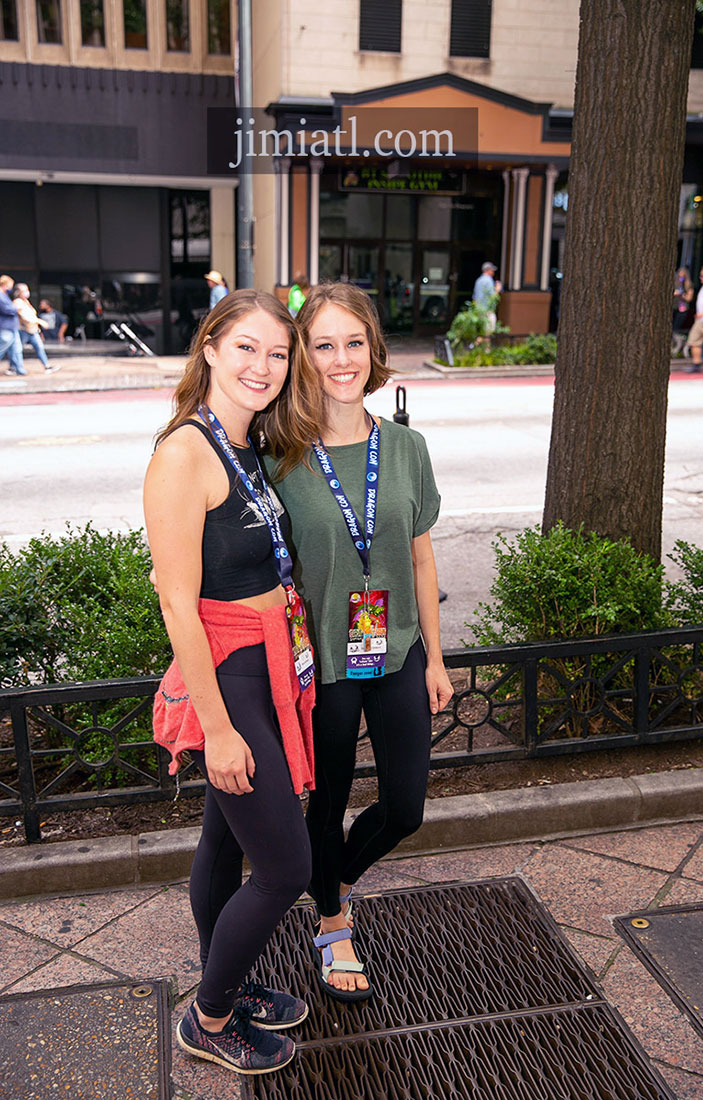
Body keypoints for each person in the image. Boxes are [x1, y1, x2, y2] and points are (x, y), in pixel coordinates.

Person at [145, 290, 323, 1076]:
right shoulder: (184, 452)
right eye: (246, 348)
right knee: (286, 867)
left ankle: (230, 978)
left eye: (278, 353)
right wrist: (217, 729)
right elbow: (176, 603)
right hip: (228, 677)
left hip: (267, 662)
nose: (263, 366)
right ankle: (208, 1018)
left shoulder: (246, 444)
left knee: (225, 838)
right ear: (210, 347)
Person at [268, 282, 454, 1002]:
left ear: (372, 349)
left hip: (398, 649)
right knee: (329, 799)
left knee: (406, 806)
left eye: (353, 342)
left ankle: (332, 875)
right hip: (325, 665)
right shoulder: (279, 454)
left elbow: (421, 556)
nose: (340, 359)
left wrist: (436, 658)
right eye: (322, 345)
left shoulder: (406, 447)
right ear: (304, 357)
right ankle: (331, 921)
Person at [13, 284, 60, 374]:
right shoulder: (17, 302)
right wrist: (39, 321)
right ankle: (14, 368)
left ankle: (47, 366)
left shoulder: (26, 302)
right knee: (17, 350)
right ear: (18, 292)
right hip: (23, 330)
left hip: (33, 330)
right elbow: (24, 316)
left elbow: (31, 315)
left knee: (39, 347)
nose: (27, 292)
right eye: (24, 291)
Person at [0, 275, 26, 376]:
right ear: (5, 284)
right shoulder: (1, 296)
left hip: (12, 326)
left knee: (16, 349)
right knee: (2, 348)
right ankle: (18, 368)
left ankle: (19, 369)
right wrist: (16, 309)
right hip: (5, 326)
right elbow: (6, 310)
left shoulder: (4, 295)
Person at [472, 261, 502, 333]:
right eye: (492, 270)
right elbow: (492, 297)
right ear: (488, 270)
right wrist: (498, 290)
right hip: (488, 310)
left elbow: (475, 299)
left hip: (479, 310)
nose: (493, 272)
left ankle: (478, 343)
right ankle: (475, 344)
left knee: (482, 331)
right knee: (488, 332)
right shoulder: (489, 280)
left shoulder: (478, 280)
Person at [672, 266, 694, 351]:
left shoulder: (688, 285)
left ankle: (676, 347)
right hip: (674, 307)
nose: (681, 278)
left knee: (676, 328)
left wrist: (682, 295)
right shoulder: (675, 283)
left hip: (682, 308)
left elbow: (689, 298)